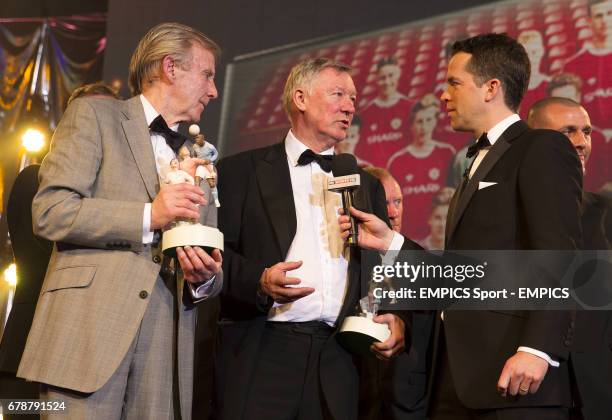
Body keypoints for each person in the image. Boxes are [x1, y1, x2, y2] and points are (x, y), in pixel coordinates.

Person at [339, 33, 583, 419]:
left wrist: (538, 349)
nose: (443, 95)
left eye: (454, 82)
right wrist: (392, 242)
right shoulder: (477, 162)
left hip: (517, 379)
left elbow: (559, 253)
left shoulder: (541, 147)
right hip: (458, 381)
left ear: (491, 88)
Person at [17, 22, 223, 419]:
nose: (214, 90)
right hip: (88, 337)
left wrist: (206, 278)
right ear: (170, 67)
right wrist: (151, 215)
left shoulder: (203, 154)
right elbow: (51, 211)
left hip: (165, 346)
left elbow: (208, 244)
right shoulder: (95, 115)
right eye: (208, 74)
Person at [214, 58, 416, 420]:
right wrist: (258, 281)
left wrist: (397, 315)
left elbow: (386, 266)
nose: (350, 106)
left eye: (353, 98)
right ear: (300, 99)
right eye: (338, 94)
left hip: (340, 357)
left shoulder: (367, 184)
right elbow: (216, 256)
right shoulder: (240, 170)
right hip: (263, 349)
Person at [527, 96, 612, 420]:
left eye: (586, 132)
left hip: (601, 395)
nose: (581, 142)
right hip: (534, 396)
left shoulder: (607, 213)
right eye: (567, 132)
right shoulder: (504, 218)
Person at [387, 94, 455, 240]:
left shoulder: (447, 153)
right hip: (410, 239)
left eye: (428, 120)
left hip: (442, 237)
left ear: (435, 122)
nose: (423, 127)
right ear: (411, 125)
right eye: (419, 121)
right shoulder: (397, 161)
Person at [545, 73, 611, 193]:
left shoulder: (599, 139)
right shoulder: (540, 141)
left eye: (570, 100)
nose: (566, 107)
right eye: (560, 102)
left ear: (579, 97)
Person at [354, 56, 415, 168]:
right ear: (376, 79)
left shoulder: (411, 108)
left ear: (398, 75)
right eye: (382, 78)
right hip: (378, 177)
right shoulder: (365, 114)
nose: (387, 82)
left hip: (406, 171)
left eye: (391, 76)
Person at [562, 0, 612, 134]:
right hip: (591, 142)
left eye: (609, 13)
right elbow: (568, 113)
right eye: (599, 16)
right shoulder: (572, 65)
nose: (605, 20)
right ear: (589, 21)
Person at [517, 30, 550, 119]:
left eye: (534, 52)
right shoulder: (510, 89)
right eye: (526, 54)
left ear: (541, 51)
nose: (531, 58)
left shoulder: (550, 85)